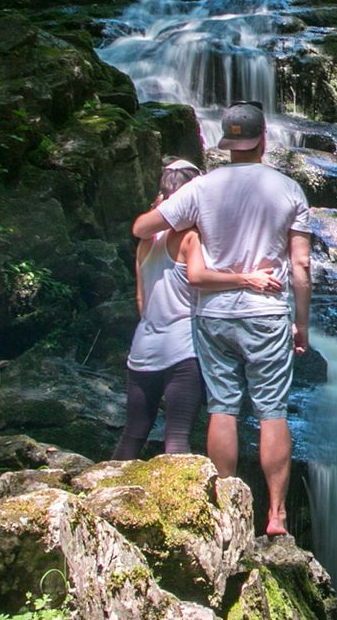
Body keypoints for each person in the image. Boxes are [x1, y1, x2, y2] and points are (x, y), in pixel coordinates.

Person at [131, 103, 313, 537]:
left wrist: (172, 216)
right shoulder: (289, 189)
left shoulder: (201, 189)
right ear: (263, 139)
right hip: (267, 314)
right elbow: (301, 266)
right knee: (271, 411)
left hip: (213, 312)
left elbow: (142, 228)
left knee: (223, 409)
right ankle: (275, 516)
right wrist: (301, 322)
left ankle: (229, 509)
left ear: (226, 143)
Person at [115, 160, 280, 461]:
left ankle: (107, 495)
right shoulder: (190, 238)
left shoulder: (145, 241)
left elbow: (141, 301)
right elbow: (198, 278)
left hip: (143, 349)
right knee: (177, 437)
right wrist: (248, 279)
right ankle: (180, 506)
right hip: (183, 349)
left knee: (133, 433)